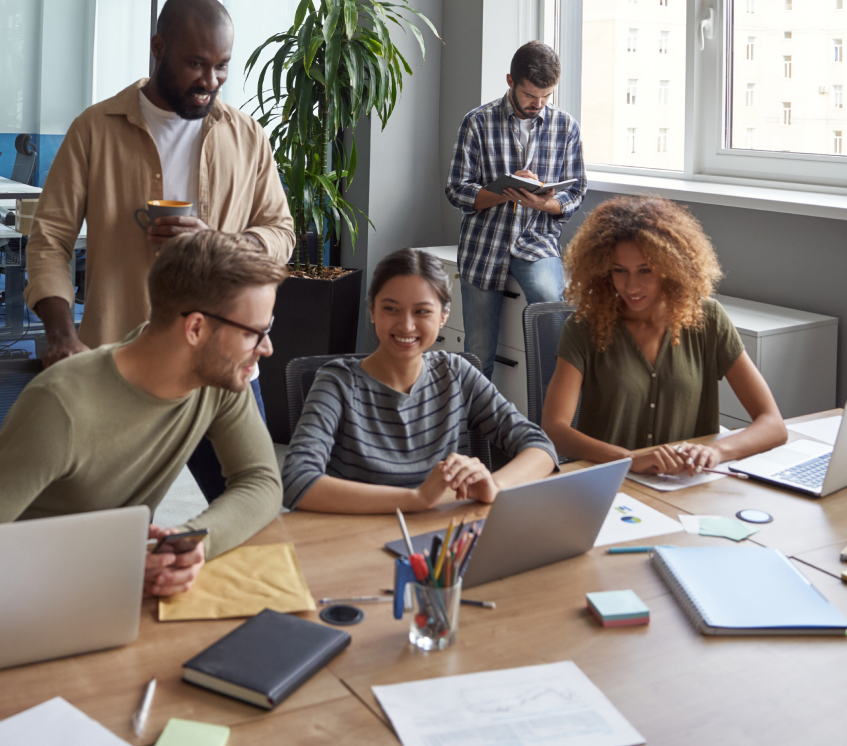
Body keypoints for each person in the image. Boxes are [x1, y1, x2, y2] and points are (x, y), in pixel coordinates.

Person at [23, 0, 295, 503]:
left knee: (250, 504)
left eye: (221, 67)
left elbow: (281, 234)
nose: (209, 82)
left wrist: (218, 243)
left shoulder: (247, 136)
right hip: (120, 366)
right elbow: (50, 239)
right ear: (157, 48)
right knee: (103, 523)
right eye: (195, 64)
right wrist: (61, 334)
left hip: (224, 365)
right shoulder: (94, 130)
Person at [0, 230, 287, 597]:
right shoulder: (61, 405)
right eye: (255, 333)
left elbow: (261, 481)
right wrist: (108, 566)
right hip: (18, 596)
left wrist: (193, 544)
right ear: (195, 328)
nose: (266, 348)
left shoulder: (219, 378)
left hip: (105, 596)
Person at [281, 248, 558, 513]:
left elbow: (540, 447)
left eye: (422, 311)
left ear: (443, 316)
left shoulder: (457, 374)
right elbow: (297, 482)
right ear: (372, 311)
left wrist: (495, 485)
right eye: (391, 309)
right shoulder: (337, 383)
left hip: (443, 538)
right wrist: (416, 499)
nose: (407, 325)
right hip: (360, 540)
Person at [541, 196, 787, 474]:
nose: (631, 286)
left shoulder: (708, 320)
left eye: (645, 270)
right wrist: (628, 460)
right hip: (612, 482)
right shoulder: (584, 327)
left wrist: (715, 451)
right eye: (619, 271)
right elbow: (554, 429)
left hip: (689, 483)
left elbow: (773, 425)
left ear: (671, 267)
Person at [445, 40, 587, 382]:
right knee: (478, 353)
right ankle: (474, 433)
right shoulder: (477, 122)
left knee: (553, 311)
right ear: (511, 81)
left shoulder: (565, 127)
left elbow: (577, 190)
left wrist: (544, 204)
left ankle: (552, 425)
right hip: (483, 246)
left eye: (546, 97)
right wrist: (503, 191)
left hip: (536, 241)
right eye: (529, 95)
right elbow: (456, 191)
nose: (537, 104)